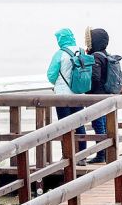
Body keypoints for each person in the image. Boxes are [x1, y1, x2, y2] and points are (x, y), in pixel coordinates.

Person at [46, 28, 86, 159]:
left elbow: (51, 75)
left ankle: (67, 156)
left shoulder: (59, 54)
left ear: (60, 39)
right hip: (79, 93)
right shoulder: (81, 51)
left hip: (63, 95)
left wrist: (57, 83)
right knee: (79, 124)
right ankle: (82, 155)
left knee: (65, 125)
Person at [85, 27, 112, 163]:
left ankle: (101, 155)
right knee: (105, 125)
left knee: (98, 126)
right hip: (106, 96)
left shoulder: (96, 56)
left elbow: (95, 77)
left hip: (97, 97)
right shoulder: (105, 54)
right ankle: (107, 154)